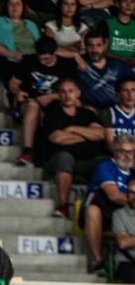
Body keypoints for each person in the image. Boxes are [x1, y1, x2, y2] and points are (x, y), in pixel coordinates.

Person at [41, 78, 108, 219]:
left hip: (87, 160)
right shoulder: (52, 114)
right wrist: (86, 134)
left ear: (78, 93)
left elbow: (101, 134)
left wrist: (72, 129)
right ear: (59, 95)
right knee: (65, 157)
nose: (67, 95)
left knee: (105, 162)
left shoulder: (88, 114)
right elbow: (57, 138)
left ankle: (103, 209)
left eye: (71, 91)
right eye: (63, 92)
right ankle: (63, 206)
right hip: (58, 161)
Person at [10, 36, 78, 166]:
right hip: (31, 102)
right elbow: (13, 83)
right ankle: (27, 150)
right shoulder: (28, 61)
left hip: (57, 102)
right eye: (41, 59)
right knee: (33, 105)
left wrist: (52, 96)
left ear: (55, 53)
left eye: (47, 58)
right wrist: (17, 92)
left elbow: (73, 91)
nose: (44, 61)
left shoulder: (66, 65)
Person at [86, 135, 135, 273]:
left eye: (130, 152)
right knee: (92, 211)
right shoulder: (105, 167)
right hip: (104, 212)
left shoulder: (133, 171)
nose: (126, 156)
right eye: (122, 151)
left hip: (125, 214)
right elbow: (113, 195)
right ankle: (98, 261)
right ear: (115, 151)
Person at [0, 0, 40, 82]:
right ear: (6, 7)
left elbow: (40, 46)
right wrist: (15, 56)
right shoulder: (0, 22)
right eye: (11, 4)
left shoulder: (31, 24)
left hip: (31, 60)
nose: (15, 7)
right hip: (9, 59)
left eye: (18, 4)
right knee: (1, 62)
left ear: (23, 7)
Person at [77, 32, 135, 112]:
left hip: (116, 111)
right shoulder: (77, 64)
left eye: (98, 45)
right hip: (89, 112)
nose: (94, 50)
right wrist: (74, 55)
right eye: (90, 45)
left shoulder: (118, 65)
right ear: (85, 46)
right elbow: (54, 51)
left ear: (105, 46)